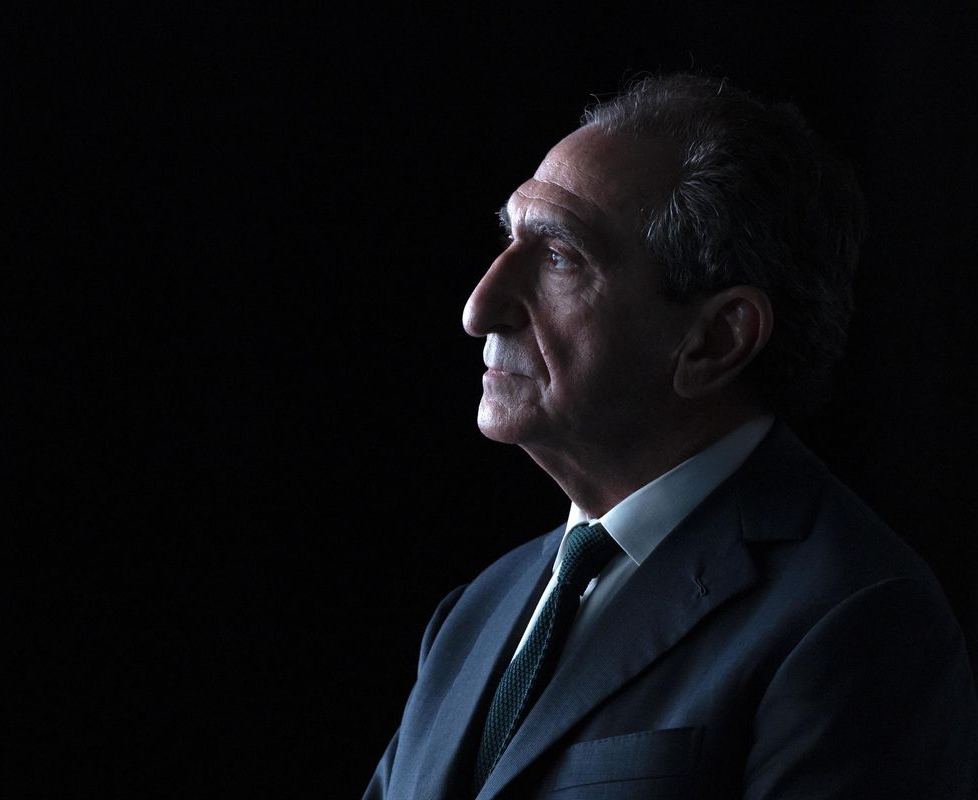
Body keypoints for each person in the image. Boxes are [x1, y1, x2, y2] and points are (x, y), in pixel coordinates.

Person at [363, 73, 978, 800]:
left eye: (559, 256)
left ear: (716, 340)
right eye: (509, 239)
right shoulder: (474, 614)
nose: (479, 307)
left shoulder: (858, 618)